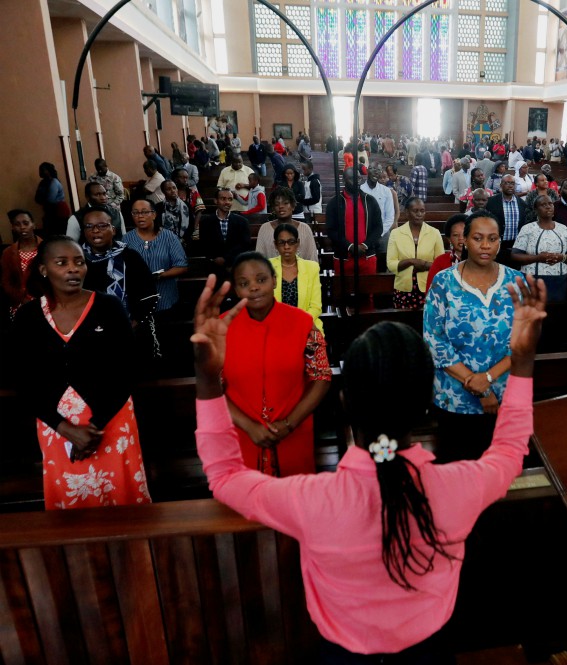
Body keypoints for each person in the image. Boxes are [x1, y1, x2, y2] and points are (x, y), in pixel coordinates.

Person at [190, 260, 543, 661]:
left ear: (346, 403)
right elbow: (511, 449)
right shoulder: (457, 487)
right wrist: (523, 362)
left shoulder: (314, 499)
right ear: (424, 405)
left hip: (342, 653)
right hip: (431, 648)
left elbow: (223, 475)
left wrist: (207, 380)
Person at [12, 236, 151, 509]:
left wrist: (94, 427)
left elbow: (129, 368)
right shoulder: (28, 316)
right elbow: (22, 379)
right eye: (61, 263)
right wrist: (65, 428)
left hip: (110, 418)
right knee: (71, 498)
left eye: (78, 262)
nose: (73, 269)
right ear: (43, 268)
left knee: (121, 496)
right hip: (57, 423)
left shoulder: (108, 307)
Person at [221, 253, 332, 477]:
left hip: (294, 430)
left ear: (274, 280)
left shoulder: (303, 323)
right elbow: (212, 388)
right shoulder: (222, 327)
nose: (253, 288)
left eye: (261, 280)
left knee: (294, 501)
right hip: (241, 433)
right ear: (235, 289)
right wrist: (250, 426)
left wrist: (289, 423)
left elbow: (321, 377)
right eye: (244, 284)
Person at [423, 213, 522, 463]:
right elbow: (435, 341)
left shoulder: (516, 282)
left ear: (501, 242)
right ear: (464, 240)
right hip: (454, 397)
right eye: (478, 238)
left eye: (492, 239)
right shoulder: (443, 282)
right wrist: (475, 383)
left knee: (500, 474)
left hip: (504, 395)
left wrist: (488, 379)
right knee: (457, 474)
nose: (485, 245)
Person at [80, 206, 158, 327]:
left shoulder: (130, 256)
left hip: (129, 326)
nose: (95, 230)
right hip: (90, 329)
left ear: (113, 230)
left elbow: (148, 293)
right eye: (89, 226)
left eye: (102, 225)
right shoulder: (78, 260)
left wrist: (134, 323)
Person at [123, 199, 188, 319]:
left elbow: (182, 267)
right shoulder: (126, 239)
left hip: (165, 299)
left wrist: (159, 276)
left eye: (144, 212)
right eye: (135, 213)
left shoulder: (169, 237)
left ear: (154, 214)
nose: (140, 216)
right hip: (138, 301)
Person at [511, 195, 567, 303]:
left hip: (558, 281)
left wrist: (562, 257)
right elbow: (515, 255)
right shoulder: (528, 229)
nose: (548, 207)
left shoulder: (563, 229)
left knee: (554, 315)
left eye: (550, 204)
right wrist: (538, 258)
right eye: (543, 205)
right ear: (536, 210)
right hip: (532, 280)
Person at [387, 198, 444, 310]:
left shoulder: (434, 233)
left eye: (422, 211)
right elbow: (391, 264)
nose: (419, 214)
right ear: (407, 212)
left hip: (429, 286)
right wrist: (411, 261)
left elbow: (440, 264)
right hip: (404, 288)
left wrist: (424, 264)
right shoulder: (396, 233)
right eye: (415, 211)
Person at [327, 167, 383, 276]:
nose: (357, 181)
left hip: (367, 257)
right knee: (343, 292)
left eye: (359, 178)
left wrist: (365, 245)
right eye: (352, 178)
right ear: (344, 180)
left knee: (367, 292)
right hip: (343, 258)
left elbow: (378, 227)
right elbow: (331, 230)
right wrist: (349, 246)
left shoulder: (370, 200)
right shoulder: (335, 203)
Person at [269, 223, 323, 333]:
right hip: (276, 327)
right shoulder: (267, 267)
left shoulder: (312, 268)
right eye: (281, 243)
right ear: (275, 244)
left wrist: (298, 323)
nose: (286, 247)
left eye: (291, 242)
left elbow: (316, 306)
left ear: (297, 243)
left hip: (305, 325)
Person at [255, 188, 319, 263]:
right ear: (273, 208)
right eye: (276, 204)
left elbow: (312, 260)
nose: (281, 206)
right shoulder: (265, 228)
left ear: (293, 206)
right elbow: (259, 260)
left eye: (285, 203)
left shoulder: (305, 229)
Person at [2, 209, 40, 319]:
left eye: (26, 223)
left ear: (34, 225)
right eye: (17, 224)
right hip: (20, 301)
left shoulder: (47, 247)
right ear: (13, 228)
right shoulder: (8, 253)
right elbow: (6, 282)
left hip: (47, 298)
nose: (22, 227)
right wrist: (21, 298)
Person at [201, 188, 252, 270]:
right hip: (214, 266)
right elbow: (204, 245)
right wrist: (216, 258)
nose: (227, 202)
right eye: (223, 199)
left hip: (236, 265)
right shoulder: (205, 222)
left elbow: (245, 244)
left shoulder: (242, 221)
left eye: (230, 199)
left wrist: (226, 259)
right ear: (215, 201)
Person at [427, 214, 467, 287]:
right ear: (449, 239)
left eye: (464, 234)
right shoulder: (440, 261)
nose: (461, 238)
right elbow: (431, 292)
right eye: (455, 235)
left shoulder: (480, 260)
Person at [35, 162, 71, 235]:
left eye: (43, 170)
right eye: (40, 170)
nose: (40, 172)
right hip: (49, 212)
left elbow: (50, 199)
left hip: (59, 211)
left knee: (59, 233)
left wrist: (42, 199)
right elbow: (36, 198)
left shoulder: (54, 182)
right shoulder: (42, 183)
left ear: (49, 171)